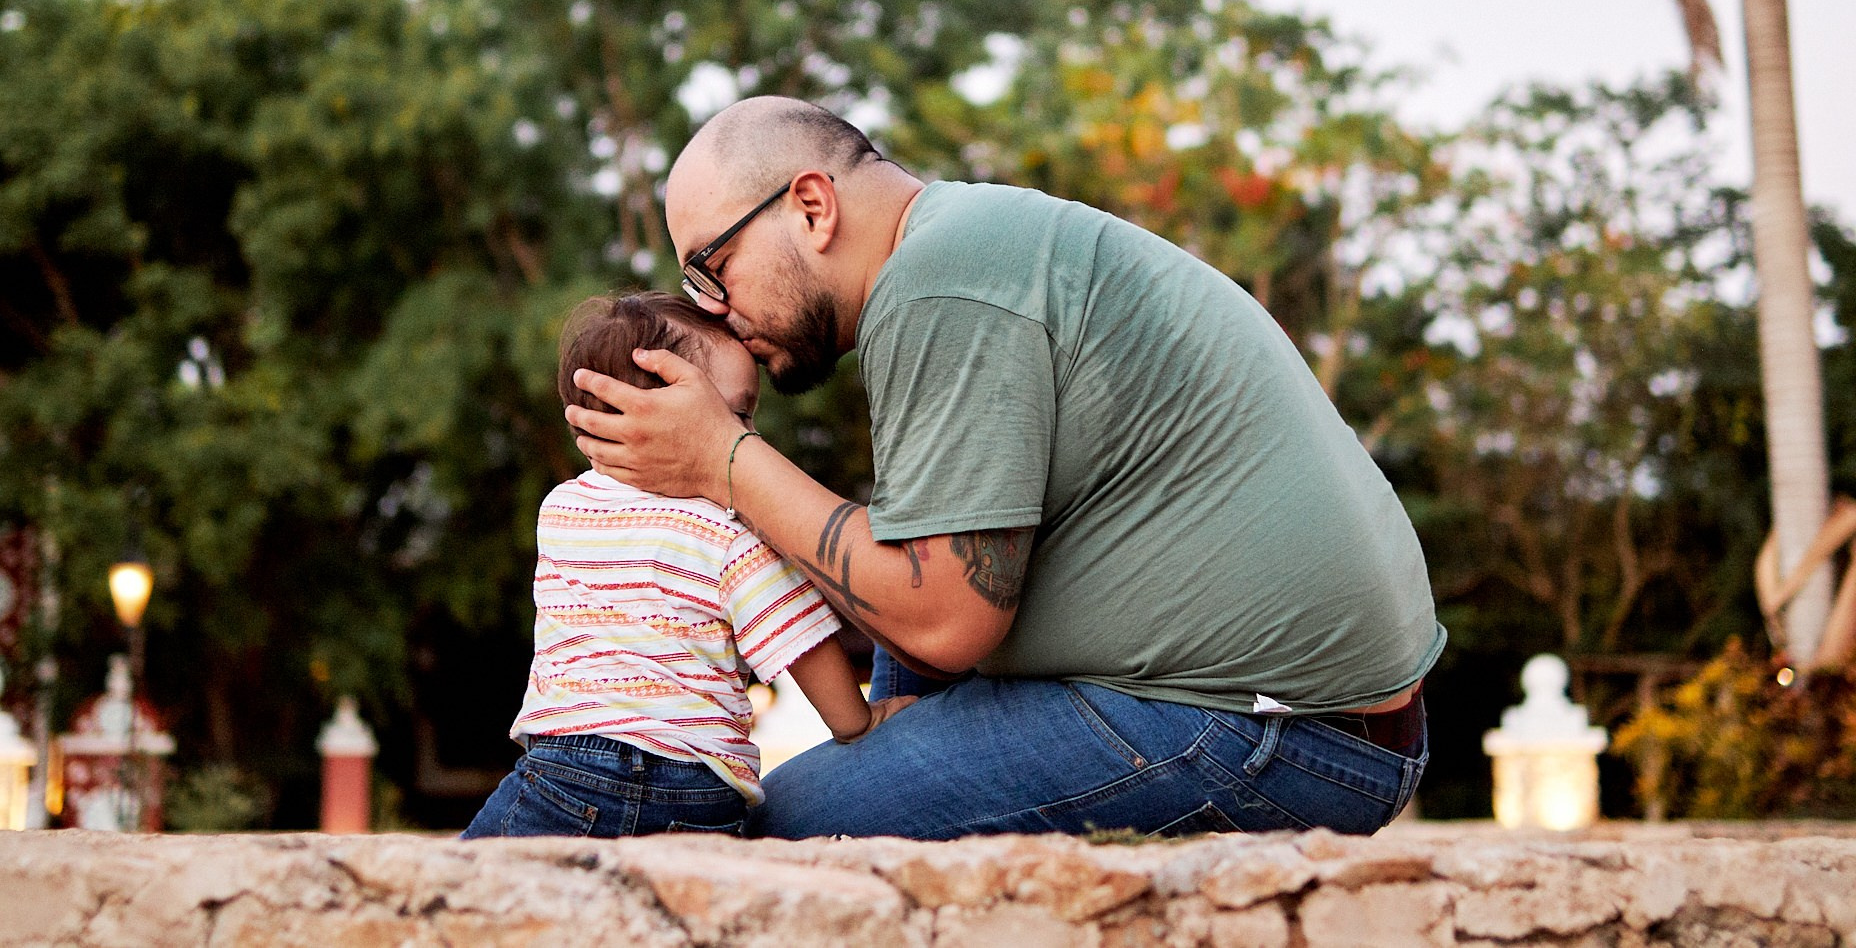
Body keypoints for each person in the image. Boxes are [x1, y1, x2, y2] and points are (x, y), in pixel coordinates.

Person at [563, 97, 1446, 840]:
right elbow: (925, 602)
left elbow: (945, 621)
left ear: (811, 206)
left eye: (712, 270)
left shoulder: (940, 282)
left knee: (752, 832)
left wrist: (724, 460)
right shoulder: (963, 248)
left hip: (1269, 733)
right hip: (1313, 719)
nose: (714, 308)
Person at [462, 292, 910, 840]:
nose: (749, 440)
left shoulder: (560, 510)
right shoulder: (731, 531)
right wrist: (856, 722)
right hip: (701, 791)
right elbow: (797, 637)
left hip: (571, 771)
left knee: (454, 898)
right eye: (738, 416)